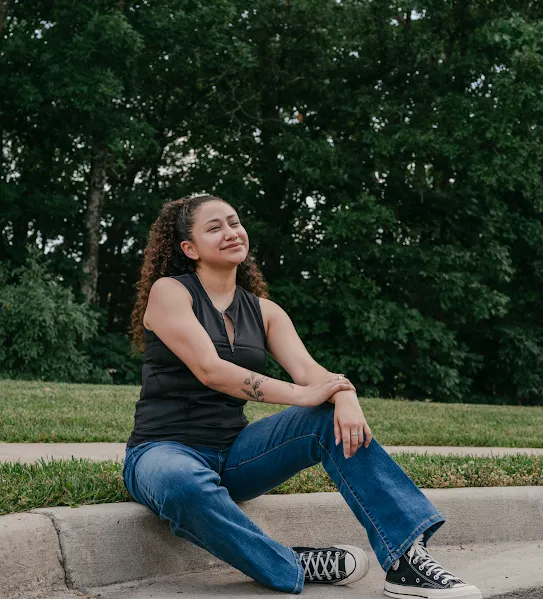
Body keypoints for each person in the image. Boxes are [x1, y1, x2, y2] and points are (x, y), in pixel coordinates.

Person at [123, 194, 482, 598]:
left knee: (330, 418)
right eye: (214, 228)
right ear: (189, 249)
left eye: (234, 222)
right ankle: (291, 563)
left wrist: (344, 394)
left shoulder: (265, 312)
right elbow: (212, 370)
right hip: (163, 453)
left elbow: (314, 374)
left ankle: (406, 560)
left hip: (236, 454)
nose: (230, 233)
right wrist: (308, 394)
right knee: (180, 483)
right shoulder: (171, 292)